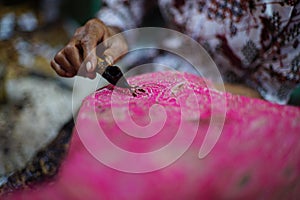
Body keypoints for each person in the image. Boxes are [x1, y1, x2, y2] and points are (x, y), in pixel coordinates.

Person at [51, 0, 300, 104]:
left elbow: (267, 97)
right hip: (141, 83)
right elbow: (124, 10)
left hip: (225, 114)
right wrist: (104, 32)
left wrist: (183, 88)